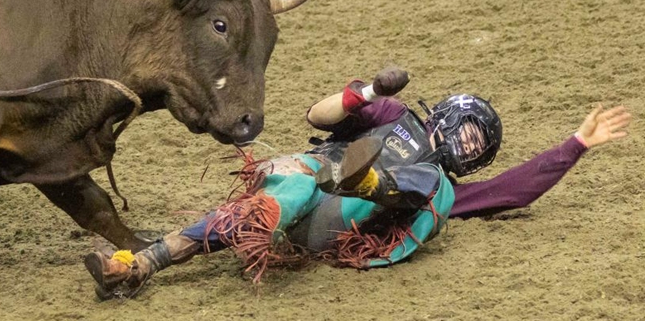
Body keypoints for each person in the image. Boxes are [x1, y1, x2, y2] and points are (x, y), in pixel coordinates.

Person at [83, 68, 631, 299]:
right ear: (444, 114)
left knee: (429, 188)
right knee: (293, 189)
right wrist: (366, 91)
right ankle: (135, 265)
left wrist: (575, 146)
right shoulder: (391, 113)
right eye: (465, 131)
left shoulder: (448, 188)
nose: (466, 145)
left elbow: (518, 189)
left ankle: (371, 183)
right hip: (305, 181)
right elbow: (317, 118)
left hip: (342, 224)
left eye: (475, 148)